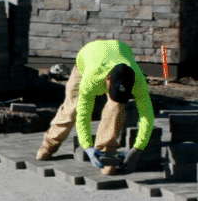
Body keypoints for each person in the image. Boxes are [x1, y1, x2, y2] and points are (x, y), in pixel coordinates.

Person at [37, 39, 154, 174]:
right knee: (72, 108)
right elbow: (83, 114)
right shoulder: (91, 80)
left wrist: (138, 149)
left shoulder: (138, 82)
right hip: (88, 59)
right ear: (108, 80)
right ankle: (49, 145)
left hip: (118, 52)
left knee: (116, 108)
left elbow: (147, 116)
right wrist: (88, 148)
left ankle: (106, 153)